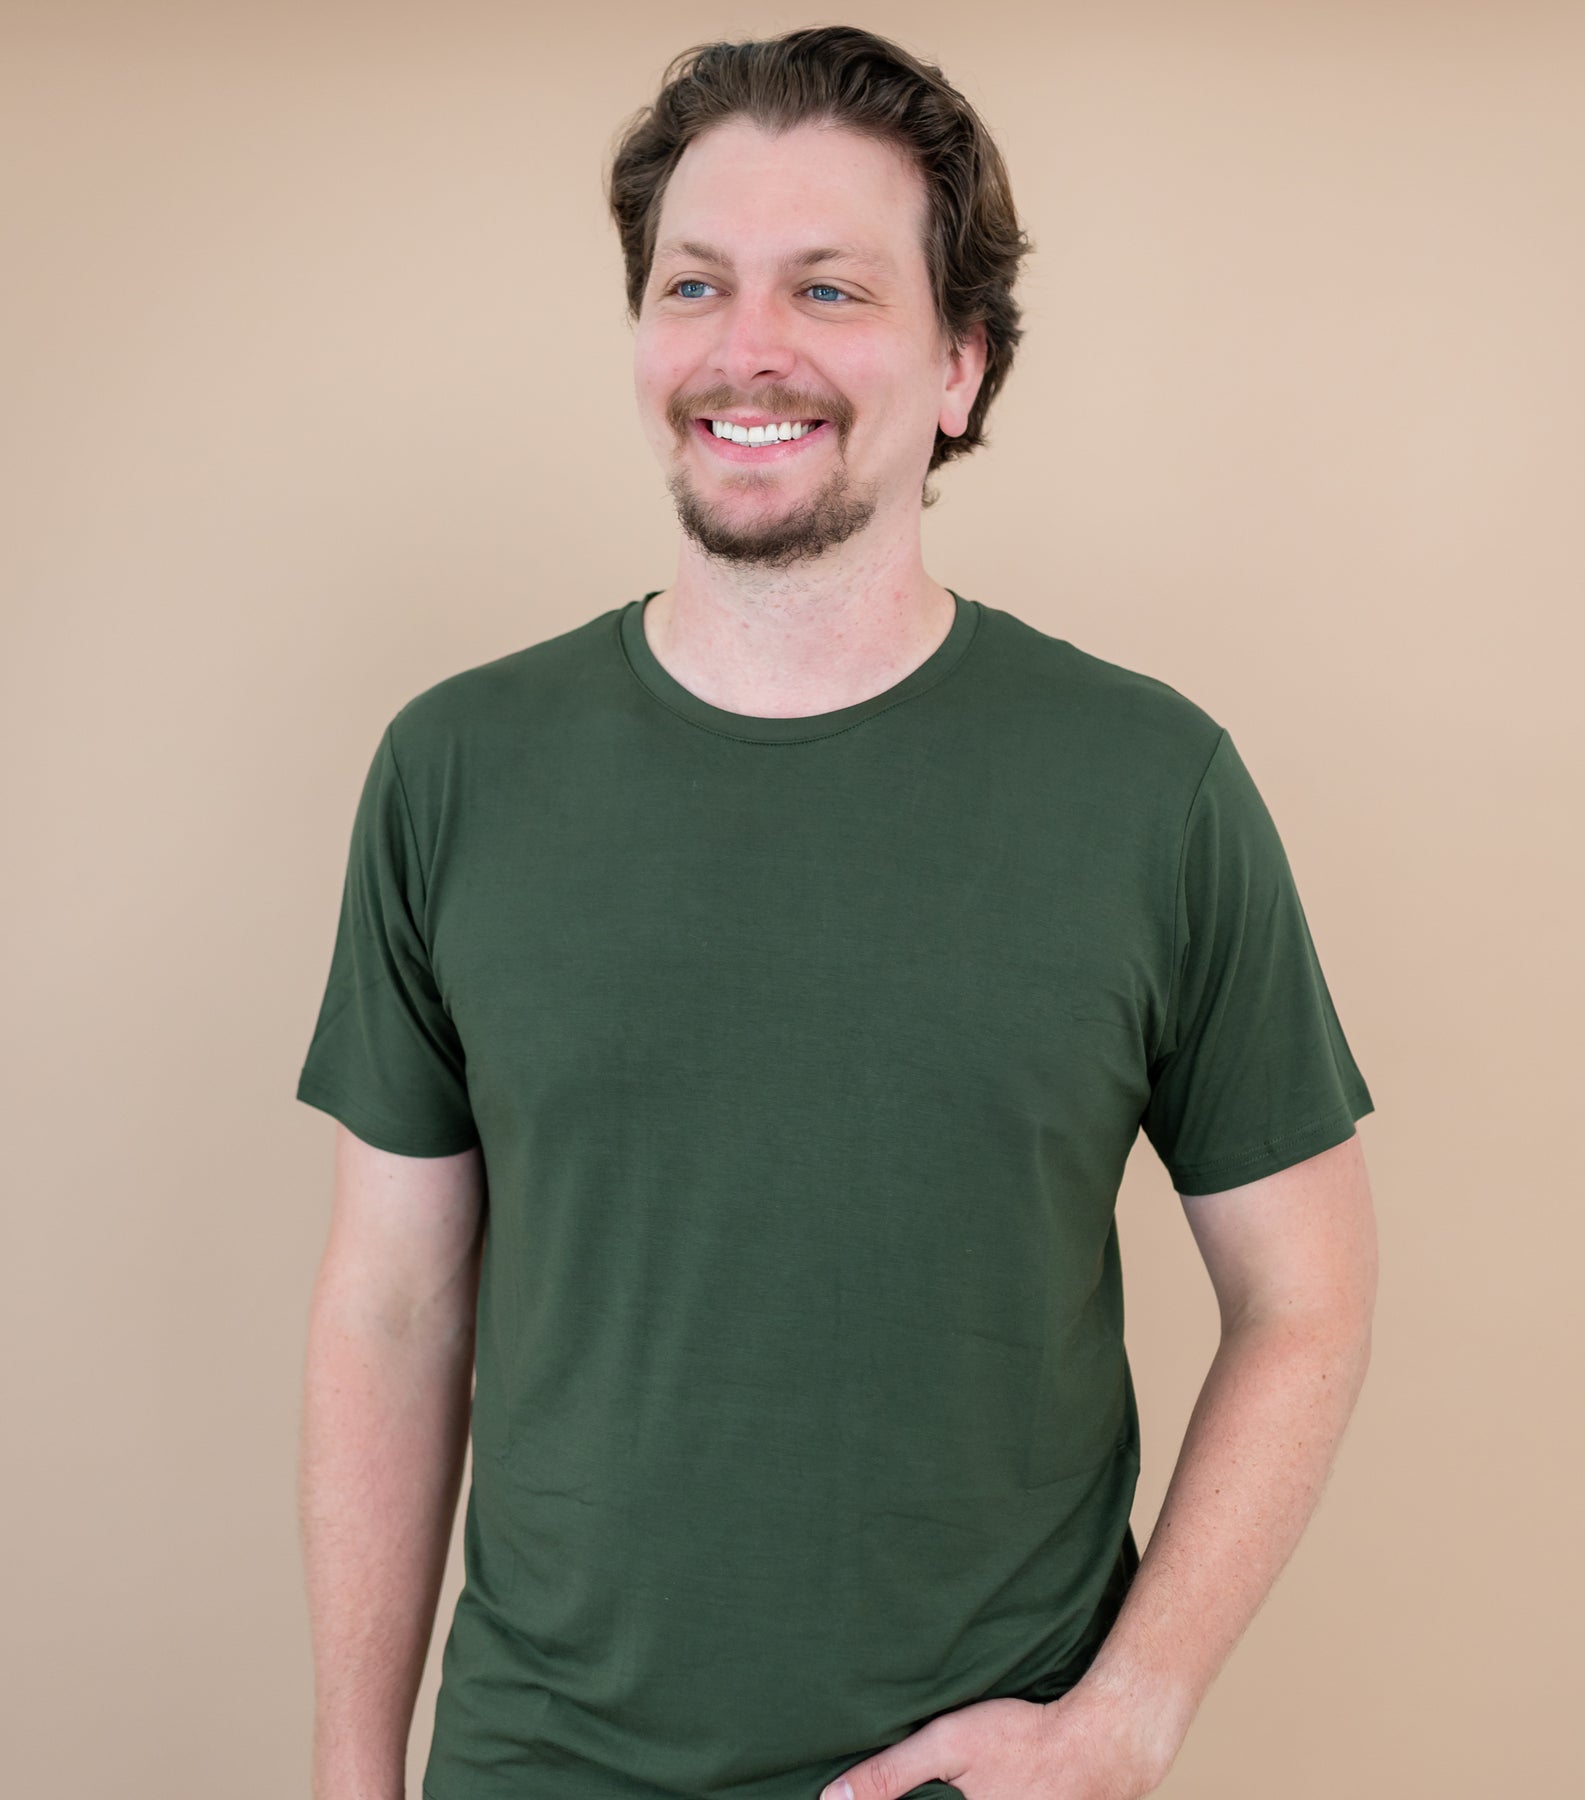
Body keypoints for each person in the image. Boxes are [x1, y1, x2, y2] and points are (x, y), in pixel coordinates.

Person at [294, 24, 1378, 1800]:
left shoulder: (1148, 786)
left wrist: (1130, 1716)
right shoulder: (455, 771)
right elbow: (391, 1308)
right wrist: (350, 1777)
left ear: (961, 364)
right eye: (695, 283)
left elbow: (1309, 1290)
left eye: (830, 290)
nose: (749, 349)